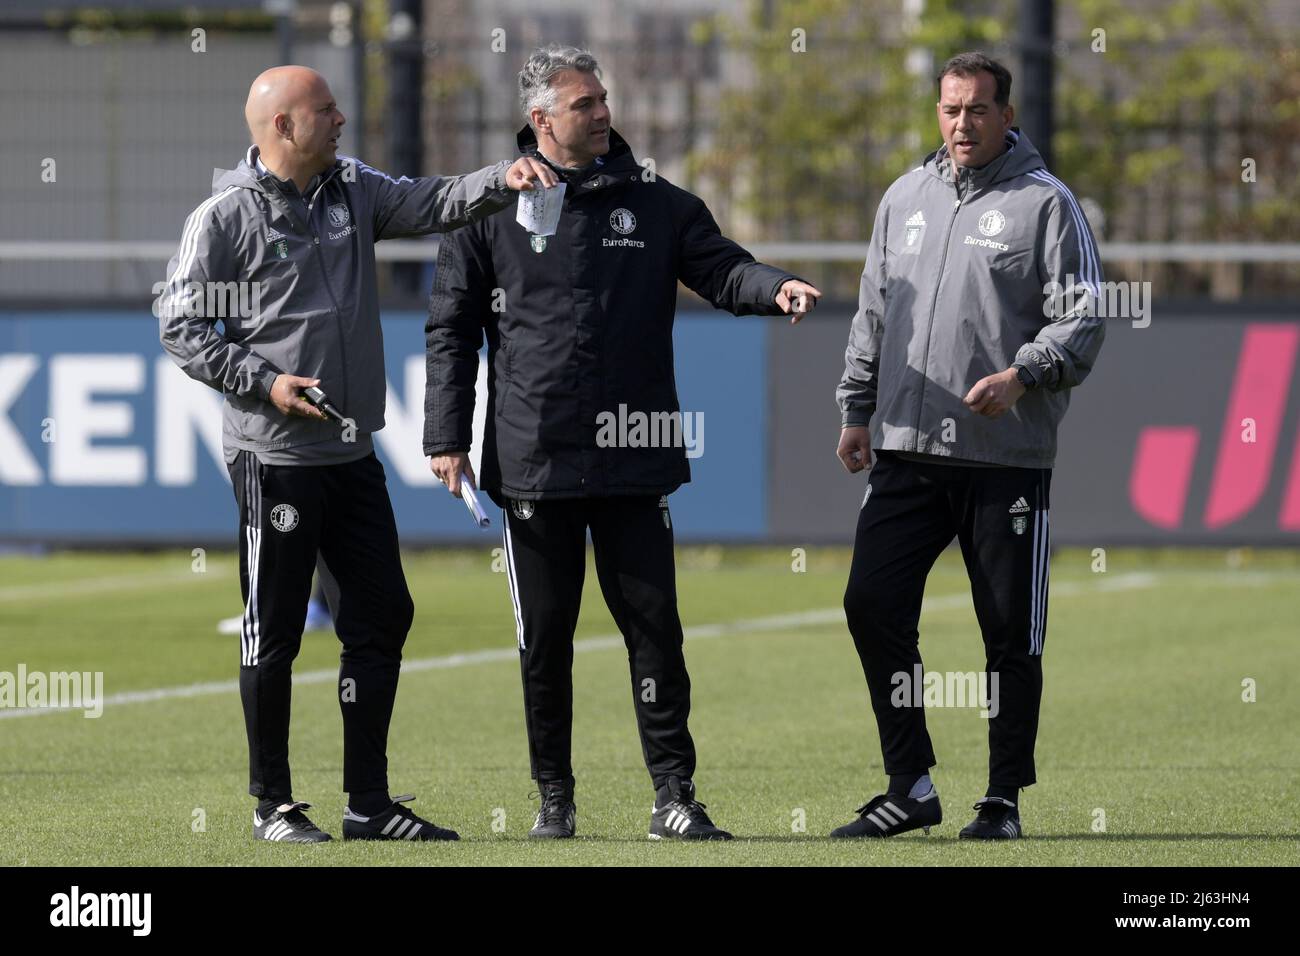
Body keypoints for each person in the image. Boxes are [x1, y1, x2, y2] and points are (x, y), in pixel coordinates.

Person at [424, 45, 821, 841]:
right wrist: (446, 436)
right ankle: (554, 800)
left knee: (655, 633)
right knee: (545, 642)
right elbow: (451, 329)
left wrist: (772, 286)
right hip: (534, 455)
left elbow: (722, 270)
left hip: (635, 454)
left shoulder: (659, 204)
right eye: (585, 105)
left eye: (603, 99)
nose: (603, 113)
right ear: (541, 121)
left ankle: (674, 797)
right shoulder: (489, 211)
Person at [159, 65, 557, 844]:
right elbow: (181, 327)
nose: (341, 119)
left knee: (381, 617)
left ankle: (367, 806)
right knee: (271, 630)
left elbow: (433, 201)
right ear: (282, 127)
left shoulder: (351, 189)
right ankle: (273, 806)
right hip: (273, 459)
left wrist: (500, 180)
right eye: (325, 110)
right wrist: (266, 384)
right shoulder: (226, 217)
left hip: (351, 455)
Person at [832, 52, 1105, 840]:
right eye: (950, 110)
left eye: (977, 110)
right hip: (907, 450)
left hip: (1003, 459)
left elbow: (1082, 318)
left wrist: (1023, 373)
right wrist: (856, 409)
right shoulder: (903, 198)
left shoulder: (1047, 205)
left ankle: (1002, 800)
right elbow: (874, 317)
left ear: (1006, 115)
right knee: (870, 604)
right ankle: (910, 782)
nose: (961, 124)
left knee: (1008, 635)